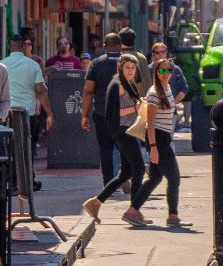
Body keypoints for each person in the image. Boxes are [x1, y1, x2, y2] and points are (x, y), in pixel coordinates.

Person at [130, 45, 191, 227]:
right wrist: (154, 148)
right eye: (161, 70)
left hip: (164, 137)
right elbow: (150, 123)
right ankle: (173, 217)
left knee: (155, 178)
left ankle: (132, 211)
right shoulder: (155, 93)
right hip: (159, 139)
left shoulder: (167, 89)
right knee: (174, 178)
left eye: (168, 70)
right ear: (155, 72)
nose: (165, 73)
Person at [82, 55, 148, 222]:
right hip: (123, 131)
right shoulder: (117, 85)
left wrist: (141, 103)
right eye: (127, 68)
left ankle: (95, 203)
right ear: (120, 67)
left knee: (125, 172)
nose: (131, 71)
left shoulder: (127, 83)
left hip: (128, 130)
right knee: (139, 168)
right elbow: (115, 113)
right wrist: (136, 107)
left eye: (133, 68)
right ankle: (133, 211)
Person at [80, 33, 126, 189]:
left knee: (105, 149)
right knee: (125, 147)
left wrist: (84, 115)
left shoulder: (96, 64)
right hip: (125, 114)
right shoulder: (129, 63)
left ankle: (108, 183)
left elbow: (88, 91)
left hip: (102, 112)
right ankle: (124, 175)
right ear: (121, 46)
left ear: (105, 46)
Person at [0, 30, 52, 155]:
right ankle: (28, 171)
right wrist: (49, 113)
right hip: (28, 112)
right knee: (29, 145)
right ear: (23, 47)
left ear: (9, 47)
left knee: (9, 145)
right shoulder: (33, 65)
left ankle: (11, 171)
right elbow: (40, 91)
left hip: (8, 112)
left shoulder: (1, 65)